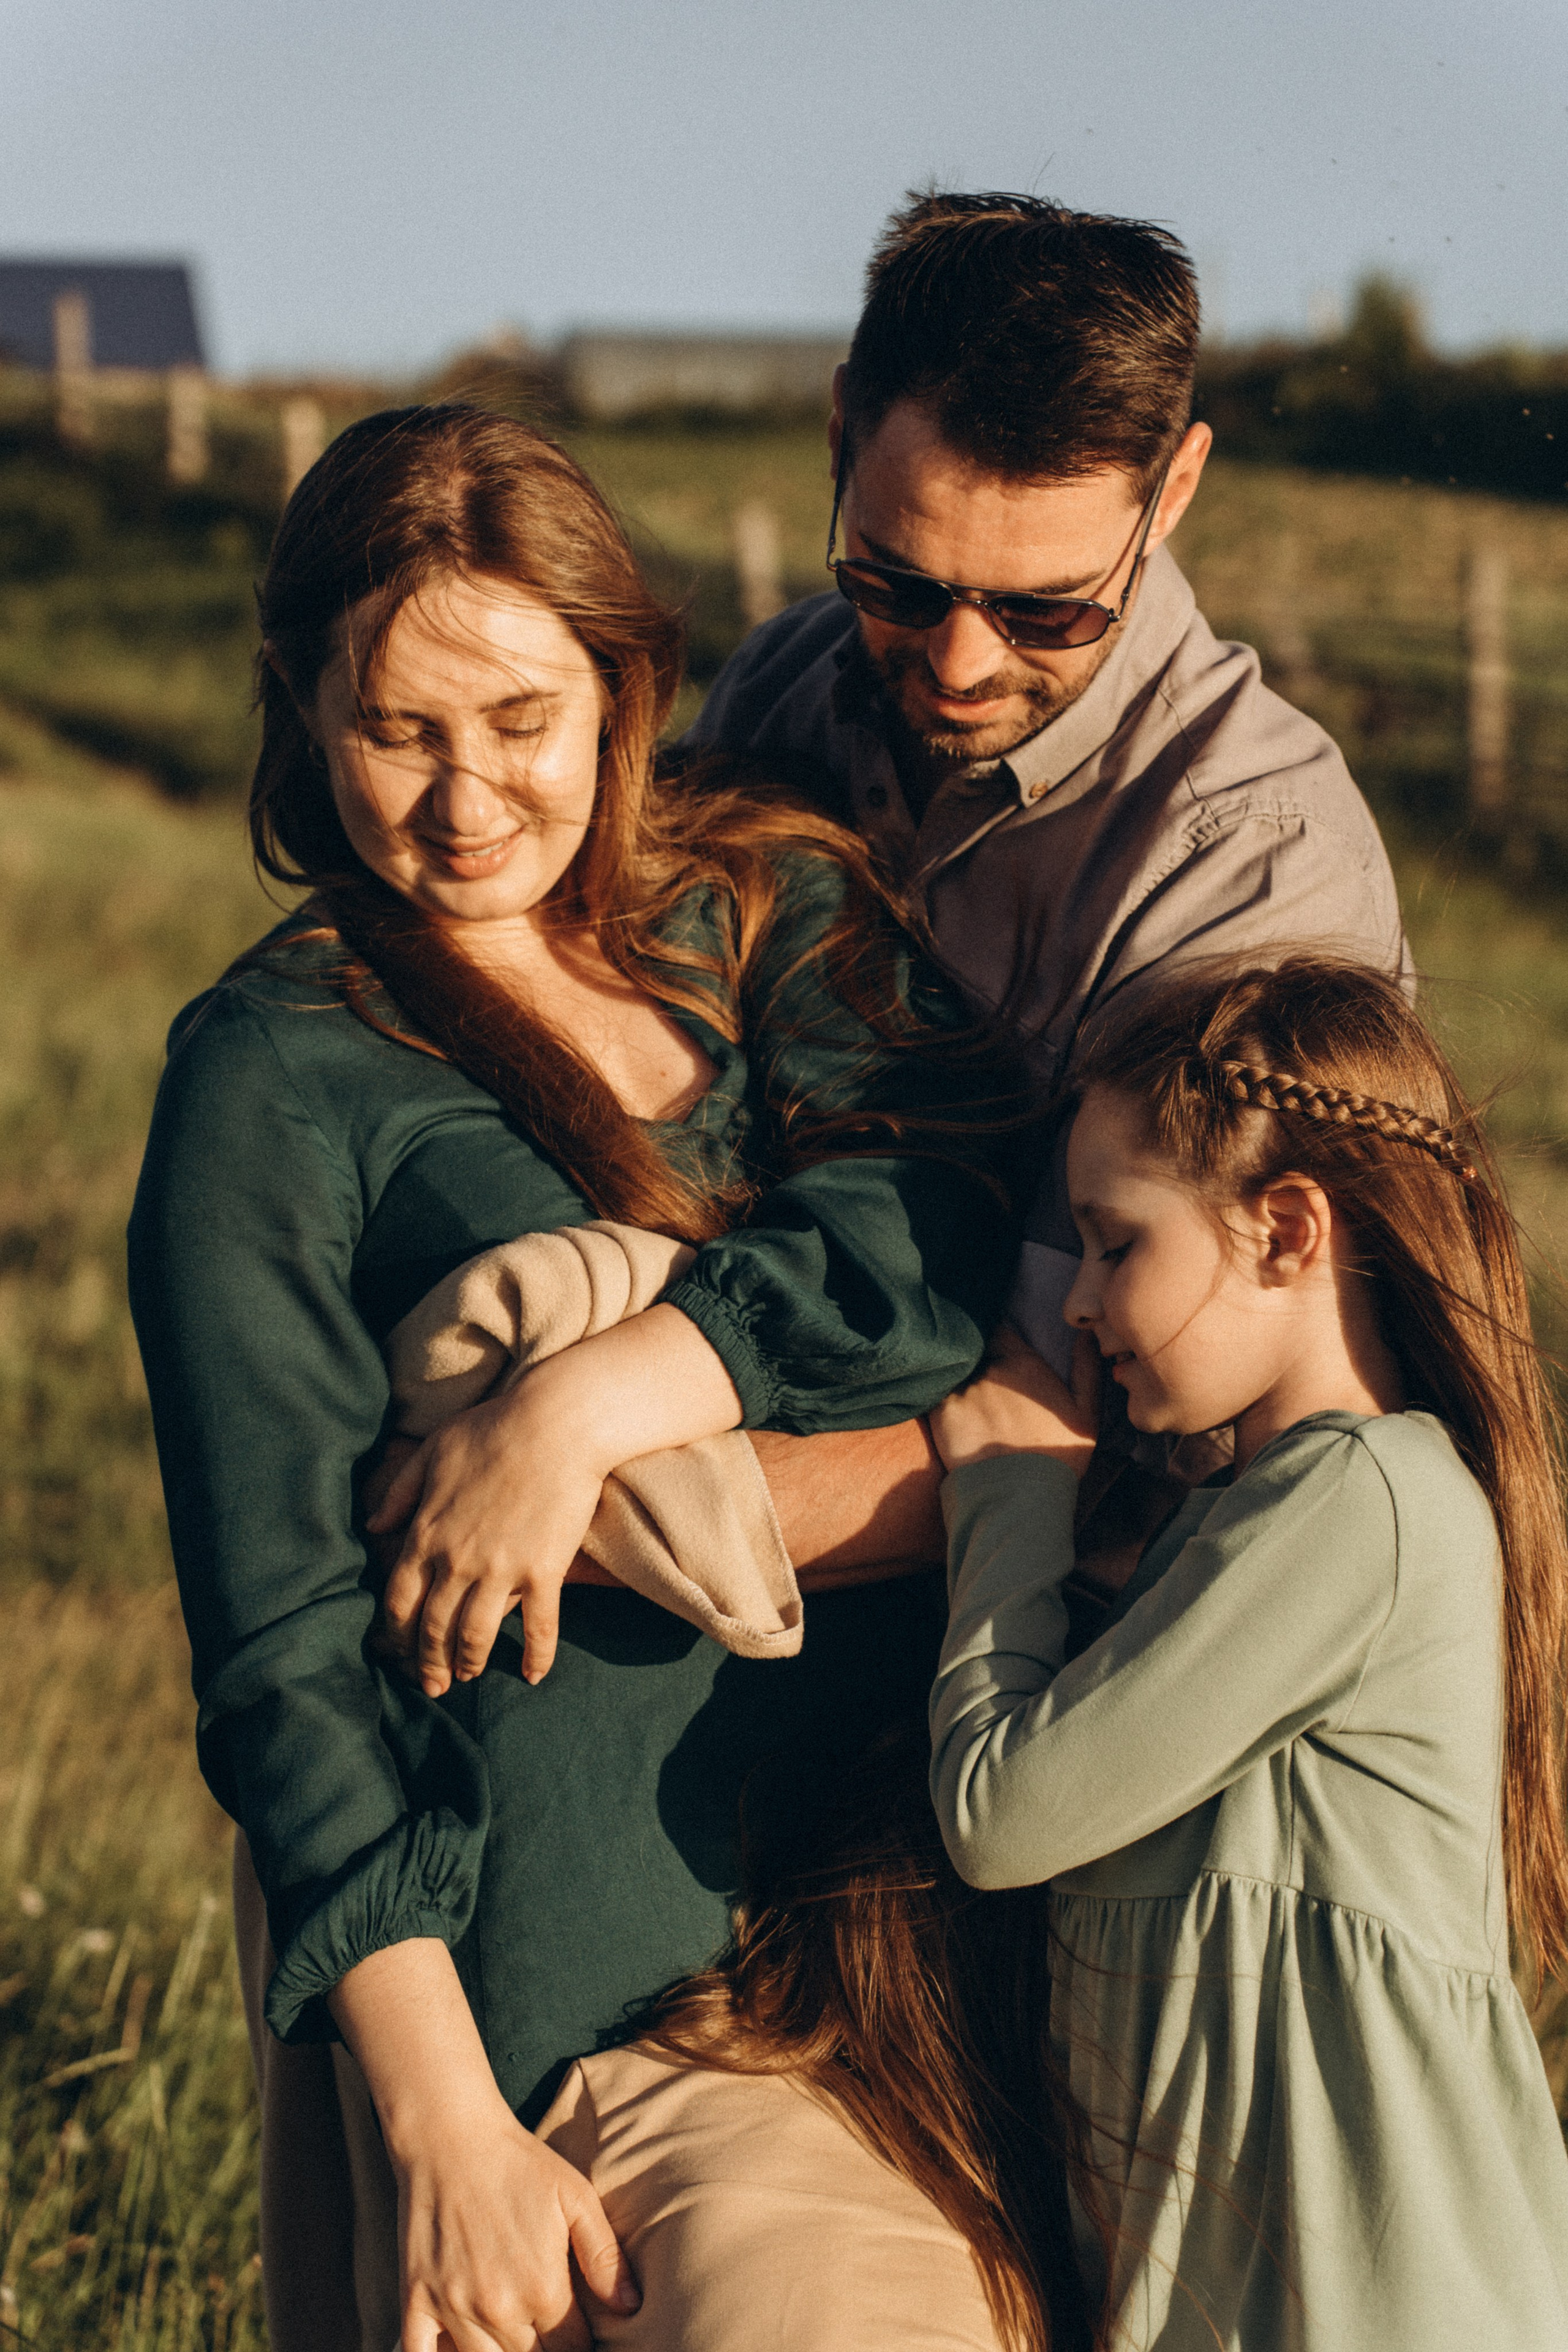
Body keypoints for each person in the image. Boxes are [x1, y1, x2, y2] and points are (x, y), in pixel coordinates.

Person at [127, 403, 1024, 2352]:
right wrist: (445, 2123)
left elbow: (948, 1228)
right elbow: (279, 1655)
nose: (465, 801)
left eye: (520, 721)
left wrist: (600, 1397)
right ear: (303, 706)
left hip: (914, 1923)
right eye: (398, 731)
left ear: (625, 690)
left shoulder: (766, 902)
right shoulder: (270, 1073)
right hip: (598, 1986)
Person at [686, 188, 1411, 1572]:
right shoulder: (779, 690)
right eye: (893, 581)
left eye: (1046, 611)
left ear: (1173, 493)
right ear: (838, 432)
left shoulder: (1250, 869)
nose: (957, 665)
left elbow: (1077, 1430)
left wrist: (569, 1507)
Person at [925, 957, 1568, 2348]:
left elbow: (1000, 1810)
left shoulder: (1367, 1501)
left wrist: (1013, 1493)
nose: (1080, 1306)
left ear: (1284, 1231)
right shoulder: (1245, 1525)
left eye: (1113, 1243)